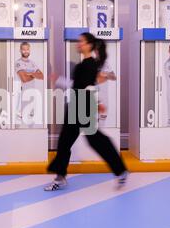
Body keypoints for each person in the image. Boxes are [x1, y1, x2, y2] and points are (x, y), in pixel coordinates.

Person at [45, 32, 128, 191]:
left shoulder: (88, 64)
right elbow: (82, 85)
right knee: (65, 142)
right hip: (78, 105)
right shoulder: (86, 65)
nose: (78, 44)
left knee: (94, 139)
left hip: (82, 106)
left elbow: (85, 87)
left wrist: (96, 103)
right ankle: (60, 177)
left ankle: (120, 170)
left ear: (89, 45)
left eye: (81, 41)